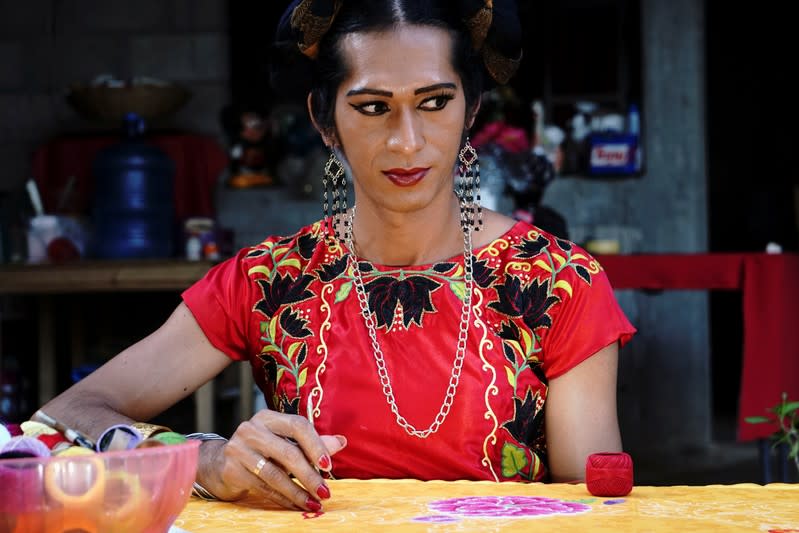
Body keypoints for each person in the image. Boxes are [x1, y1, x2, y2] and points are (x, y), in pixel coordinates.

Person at [41, 0, 636, 514]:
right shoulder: (269, 280)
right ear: (324, 121)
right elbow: (66, 415)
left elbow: (593, 504)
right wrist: (207, 459)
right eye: (373, 107)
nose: (407, 140)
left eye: (433, 102)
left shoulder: (557, 282)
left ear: (471, 111)